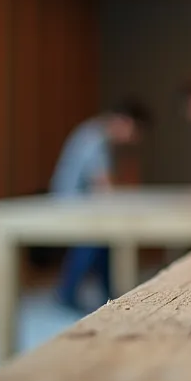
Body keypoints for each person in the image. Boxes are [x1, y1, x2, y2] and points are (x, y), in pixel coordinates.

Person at [50, 100, 151, 311]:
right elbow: (103, 185)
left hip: (83, 202)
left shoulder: (97, 133)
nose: (133, 139)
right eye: (134, 132)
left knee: (104, 241)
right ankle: (67, 292)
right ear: (125, 121)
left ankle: (107, 291)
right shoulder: (95, 138)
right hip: (71, 202)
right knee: (96, 238)